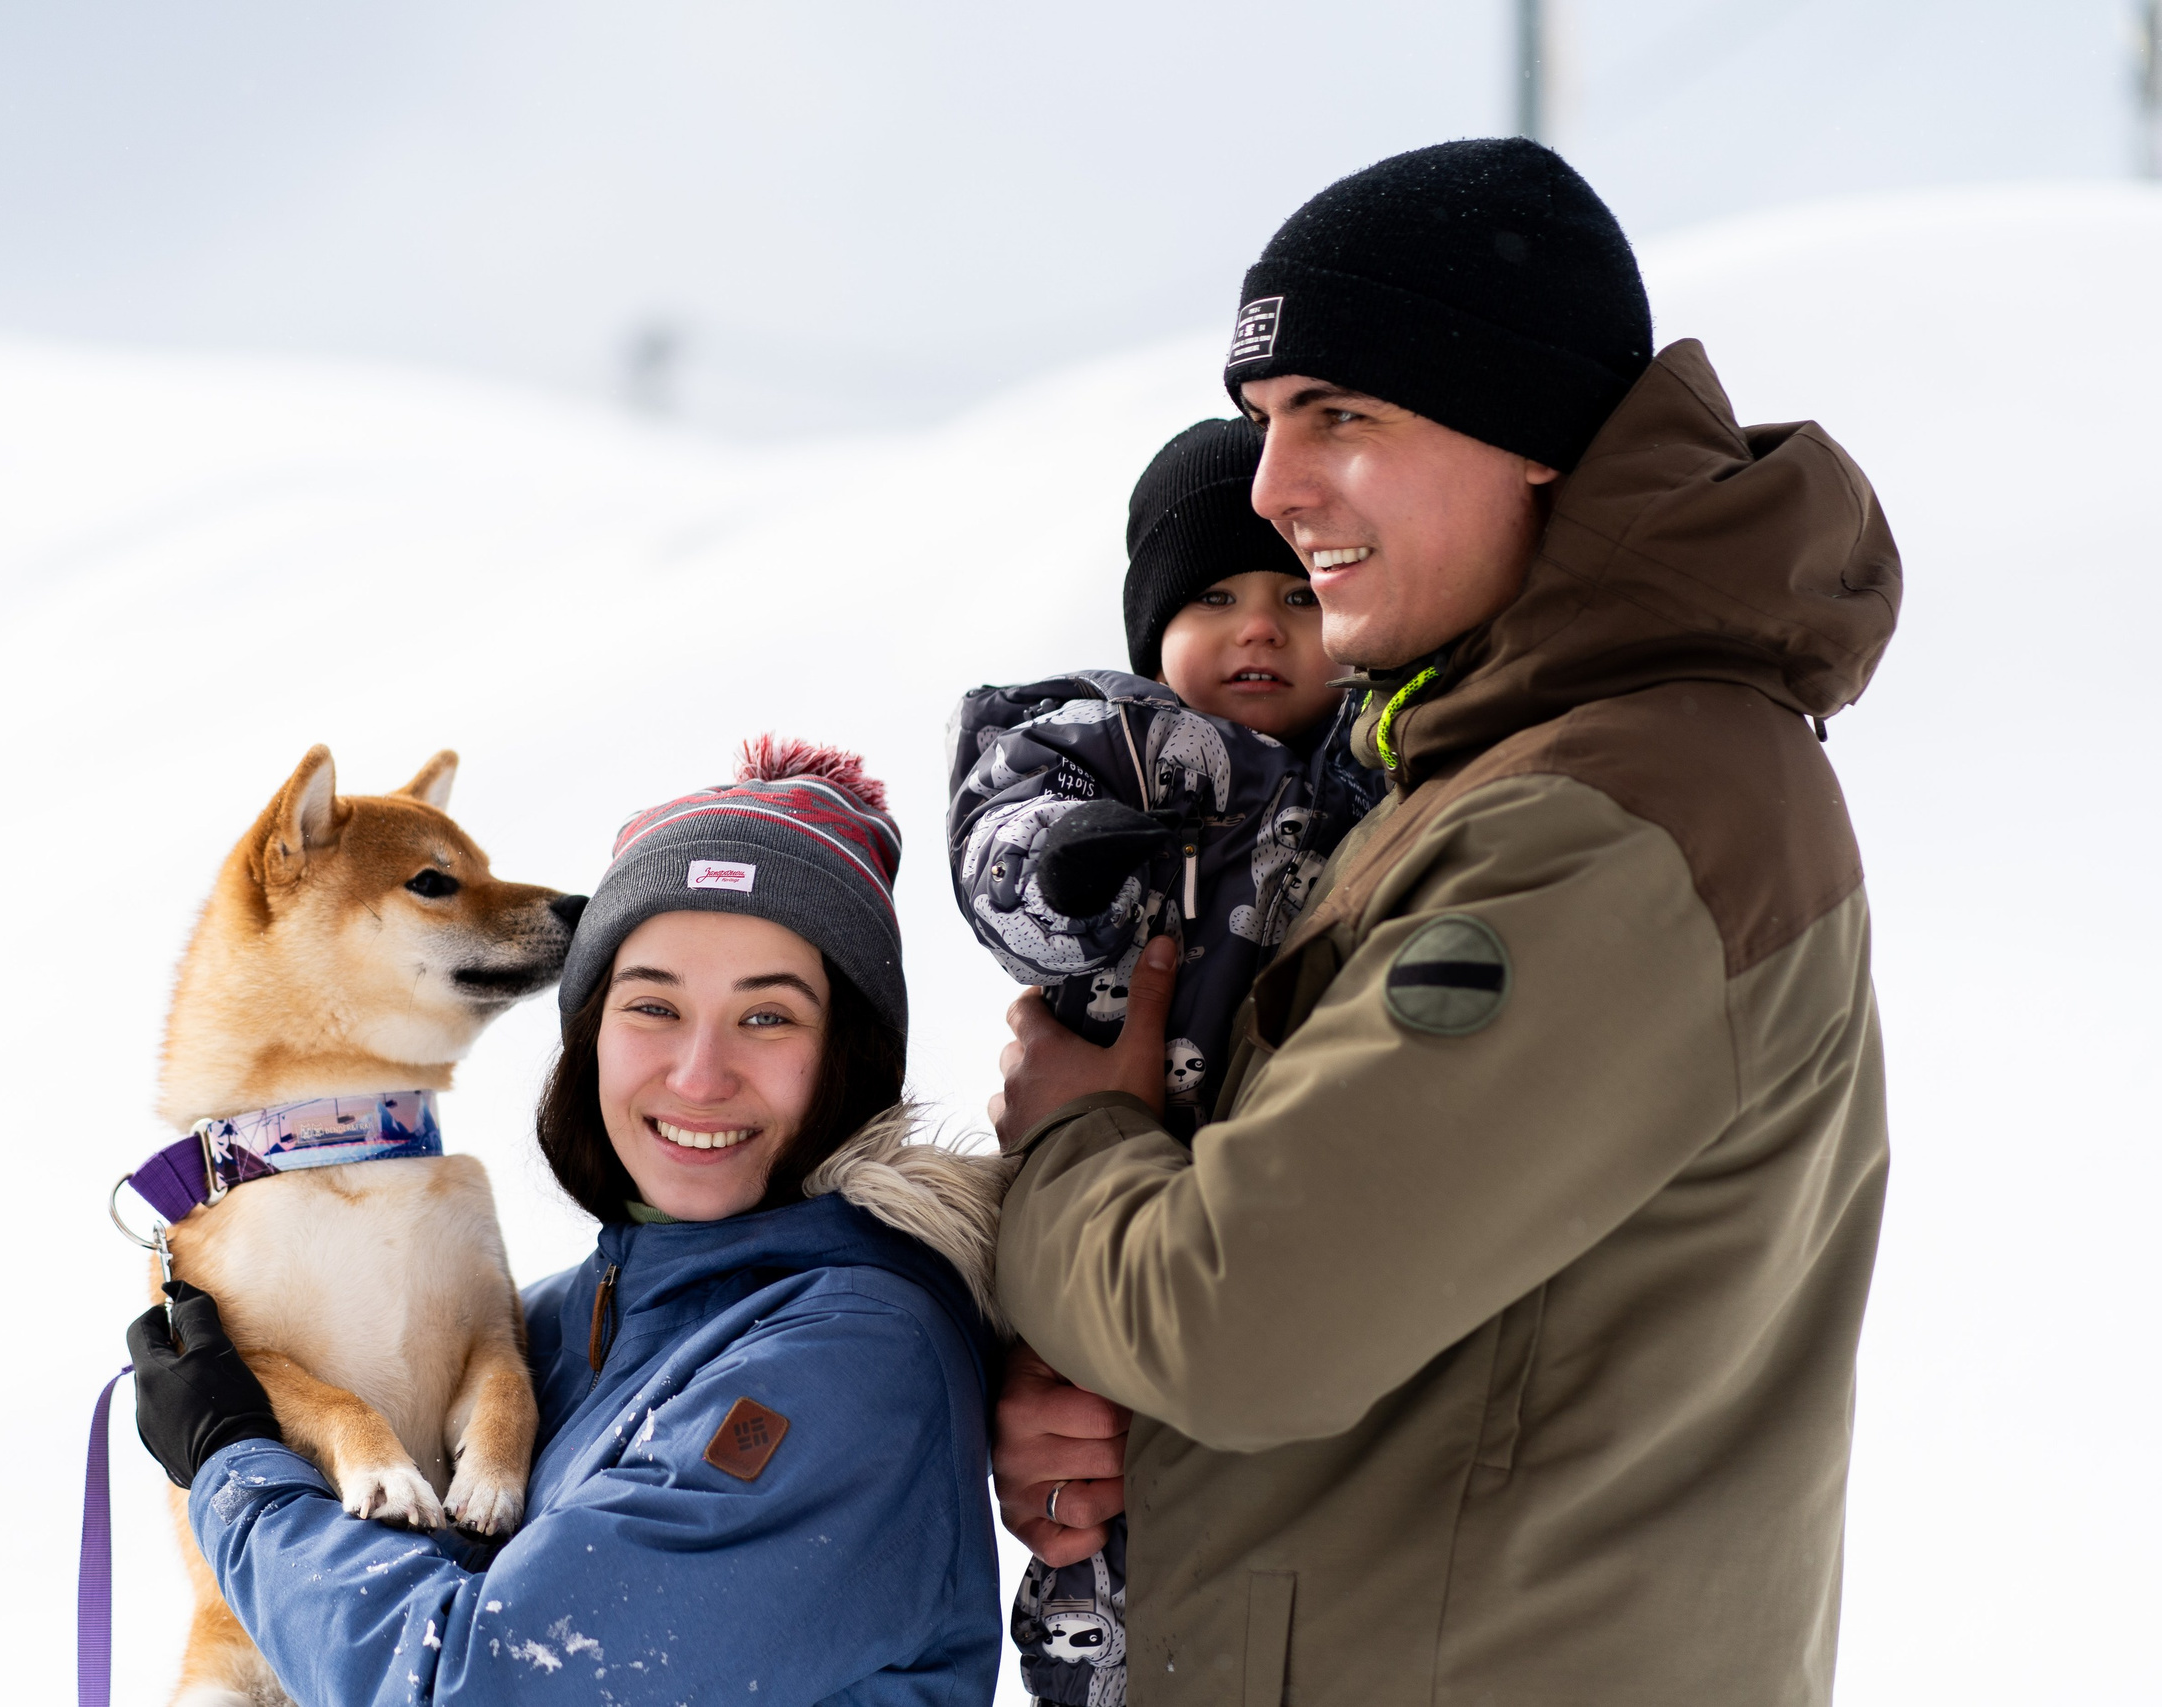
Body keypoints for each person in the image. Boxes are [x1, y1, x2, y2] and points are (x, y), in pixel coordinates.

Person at [988, 138, 1898, 1705]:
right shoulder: (1480, 767)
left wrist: (1072, 1150)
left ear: (1529, 429)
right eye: (1268, 423)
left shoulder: (1610, 817)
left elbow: (1234, 1314)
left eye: (1344, 412)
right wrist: (1100, 1394)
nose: (1276, 488)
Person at [128, 738, 1010, 1706]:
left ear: (853, 1055)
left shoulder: (854, 1356)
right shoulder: (567, 1329)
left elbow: (491, 1685)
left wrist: (233, 1469)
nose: (698, 1075)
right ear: (590, 1038)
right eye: (652, 1008)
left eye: (767, 1018)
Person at [944, 418, 1383, 1706]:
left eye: (1296, 596)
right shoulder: (1125, 744)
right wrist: (1069, 866)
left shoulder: (1370, 760)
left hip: (1248, 1186)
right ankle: (1086, 1643)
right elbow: (997, 837)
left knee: (1192, 1421)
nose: (1259, 627)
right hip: (1103, 1163)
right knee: (1092, 1426)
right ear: (1153, 630)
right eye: (1215, 596)